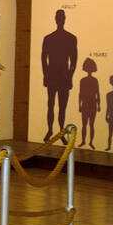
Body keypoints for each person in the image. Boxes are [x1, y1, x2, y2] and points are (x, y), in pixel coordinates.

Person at [41, 9, 78, 141]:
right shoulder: (49, 38)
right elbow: (43, 59)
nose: (60, 20)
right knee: (51, 105)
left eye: (61, 17)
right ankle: (50, 130)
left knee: (62, 107)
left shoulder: (71, 38)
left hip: (63, 76)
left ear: (63, 19)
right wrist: (45, 75)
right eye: (59, 17)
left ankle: (60, 131)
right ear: (56, 19)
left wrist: (70, 76)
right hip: (53, 76)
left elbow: (74, 60)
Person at [78, 58, 99, 148]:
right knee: (85, 125)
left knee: (90, 124)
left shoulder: (94, 80)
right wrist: (79, 105)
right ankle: (84, 141)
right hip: (87, 103)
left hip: (91, 103)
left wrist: (99, 104)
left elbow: (98, 93)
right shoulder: (83, 80)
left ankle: (90, 142)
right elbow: (80, 93)